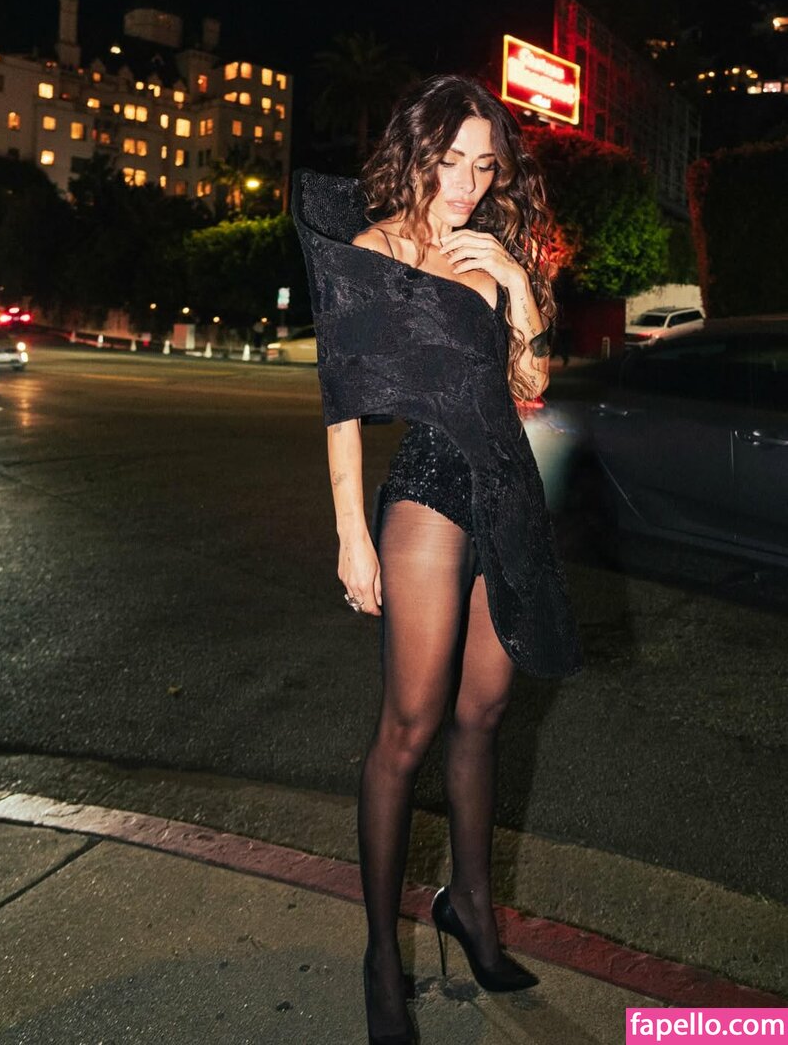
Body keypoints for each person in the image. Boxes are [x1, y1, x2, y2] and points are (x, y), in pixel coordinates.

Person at [292, 74, 582, 1045]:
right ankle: (383, 956)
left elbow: (530, 382)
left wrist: (512, 283)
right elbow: (341, 401)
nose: (466, 183)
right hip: (426, 493)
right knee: (408, 728)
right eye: (450, 161)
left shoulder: (489, 248)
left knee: (483, 715)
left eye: (483, 166)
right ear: (416, 155)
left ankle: (471, 909)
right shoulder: (372, 253)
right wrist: (351, 534)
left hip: (506, 488)